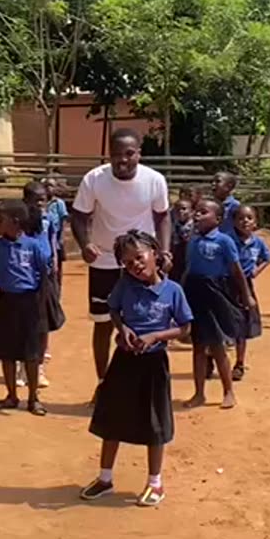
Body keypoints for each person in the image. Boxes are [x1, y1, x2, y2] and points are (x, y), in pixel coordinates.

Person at [81, 230, 193, 507]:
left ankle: (155, 482)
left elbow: (185, 327)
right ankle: (105, 478)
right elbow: (115, 310)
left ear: (155, 253)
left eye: (139, 258)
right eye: (128, 263)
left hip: (154, 364)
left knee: (155, 424)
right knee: (113, 419)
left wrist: (155, 337)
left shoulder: (173, 291)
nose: (136, 266)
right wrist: (124, 329)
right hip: (124, 360)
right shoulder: (124, 286)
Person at [71, 129, 171, 395]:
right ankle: (103, 384)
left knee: (146, 321)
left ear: (139, 153)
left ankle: (140, 384)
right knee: (103, 322)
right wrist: (85, 244)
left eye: (129, 154)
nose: (122, 160)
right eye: (116, 155)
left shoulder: (155, 180)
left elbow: (162, 217)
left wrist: (165, 251)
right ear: (109, 155)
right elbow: (79, 216)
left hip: (142, 261)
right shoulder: (94, 179)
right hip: (104, 260)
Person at [0, 199, 51, 416]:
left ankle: (33, 398)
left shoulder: (34, 246)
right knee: (6, 352)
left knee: (31, 353)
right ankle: (11, 395)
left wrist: (42, 303)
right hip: (6, 301)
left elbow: (46, 275)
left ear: (15, 222)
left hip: (29, 301)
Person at [182, 197, 253, 410]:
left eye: (204, 212)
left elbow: (236, 270)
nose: (197, 215)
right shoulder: (193, 241)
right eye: (197, 211)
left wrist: (246, 295)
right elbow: (188, 269)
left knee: (217, 345)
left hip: (215, 293)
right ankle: (199, 393)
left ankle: (228, 391)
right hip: (195, 292)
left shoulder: (224, 241)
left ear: (218, 219)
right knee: (197, 346)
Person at [21, 179, 64, 389]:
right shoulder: (20, 221)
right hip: (25, 274)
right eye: (35, 201)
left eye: (43, 201)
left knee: (43, 321)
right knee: (24, 321)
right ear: (25, 200)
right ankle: (23, 364)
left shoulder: (49, 219)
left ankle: (38, 367)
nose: (40, 205)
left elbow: (53, 242)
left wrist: (54, 264)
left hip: (45, 274)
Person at [232, 205, 270, 382]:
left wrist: (257, 270)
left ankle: (239, 363)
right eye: (240, 218)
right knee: (220, 324)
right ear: (234, 222)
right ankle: (211, 358)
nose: (245, 221)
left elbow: (267, 258)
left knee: (243, 325)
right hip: (227, 284)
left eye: (249, 218)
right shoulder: (229, 241)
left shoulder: (258, 243)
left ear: (255, 222)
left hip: (246, 286)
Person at [44, 175, 69, 286]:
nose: (49, 188)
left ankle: (57, 291)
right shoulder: (42, 203)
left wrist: (62, 238)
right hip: (44, 238)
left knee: (57, 266)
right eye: (47, 186)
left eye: (51, 186)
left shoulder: (59, 203)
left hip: (56, 238)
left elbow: (63, 220)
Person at [170, 198, 194, 282]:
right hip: (175, 259)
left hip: (190, 260)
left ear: (192, 212)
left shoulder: (195, 227)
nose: (180, 212)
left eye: (184, 209)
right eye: (177, 209)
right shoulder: (171, 226)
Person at [211, 171, 240, 237]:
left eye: (218, 181)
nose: (213, 184)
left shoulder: (235, 206)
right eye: (212, 181)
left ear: (229, 186)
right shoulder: (210, 205)